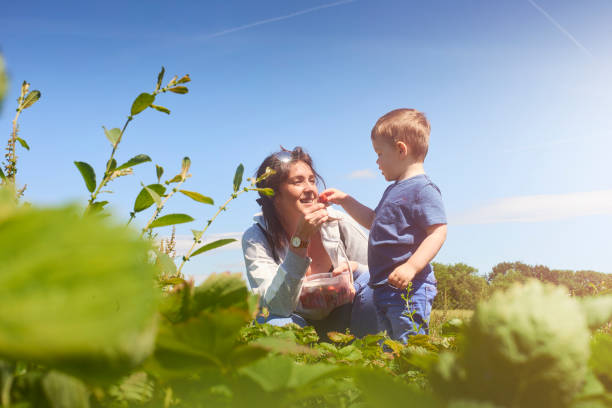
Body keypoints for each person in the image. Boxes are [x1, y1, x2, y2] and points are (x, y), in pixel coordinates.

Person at [319, 109, 447, 343]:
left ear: (400, 149)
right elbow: (373, 221)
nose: (377, 162)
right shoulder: (393, 190)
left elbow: (438, 232)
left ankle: (416, 378)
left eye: (379, 154)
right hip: (384, 286)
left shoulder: (423, 189)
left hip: (410, 287)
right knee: (389, 345)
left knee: (409, 343)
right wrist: (345, 200)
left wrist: (411, 267)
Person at [241, 147, 380, 340]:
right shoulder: (257, 237)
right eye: (297, 181)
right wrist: (299, 242)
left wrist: (355, 269)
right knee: (277, 326)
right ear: (273, 194)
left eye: (312, 180)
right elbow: (277, 306)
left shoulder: (337, 223)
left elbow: (382, 272)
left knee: (375, 293)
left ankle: (372, 359)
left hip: (346, 318)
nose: (310, 189)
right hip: (295, 321)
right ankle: (299, 365)